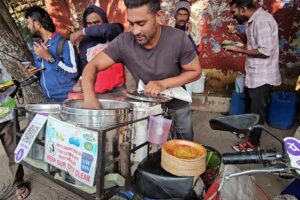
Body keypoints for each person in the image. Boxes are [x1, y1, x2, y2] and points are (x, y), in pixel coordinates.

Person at [82, 0, 201, 140]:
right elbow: (92, 66)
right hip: (147, 108)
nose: (135, 31)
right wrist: (89, 97)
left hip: (178, 106)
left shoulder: (178, 39)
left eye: (141, 23)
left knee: (185, 146)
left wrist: (163, 84)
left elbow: (195, 71)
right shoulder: (124, 42)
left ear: (158, 16)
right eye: (131, 24)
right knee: (152, 149)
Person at [225, 0, 281, 151]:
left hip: (263, 75)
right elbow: (251, 42)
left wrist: (239, 51)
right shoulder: (253, 21)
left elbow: (265, 50)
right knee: (252, 107)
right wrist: (237, 33)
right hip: (255, 74)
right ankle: (248, 132)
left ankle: (252, 144)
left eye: (234, 12)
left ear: (243, 9)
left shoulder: (261, 21)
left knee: (257, 112)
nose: (233, 16)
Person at [24, 6, 78, 102]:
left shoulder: (64, 43)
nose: (28, 26)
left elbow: (73, 72)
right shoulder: (38, 46)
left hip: (67, 99)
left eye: (28, 23)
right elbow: (45, 72)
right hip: (47, 98)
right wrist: (35, 72)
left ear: (37, 24)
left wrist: (49, 58)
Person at [70, 5, 126, 94]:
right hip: (97, 92)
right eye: (89, 23)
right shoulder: (85, 43)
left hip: (119, 90)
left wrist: (83, 31)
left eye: (96, 22)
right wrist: (80, 81)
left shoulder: (114, 31)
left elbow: (105, 29)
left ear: (104, 20)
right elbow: (84, 67)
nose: (92, 27)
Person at [0, 62, 30, 200]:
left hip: (6, 116)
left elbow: (12, 85)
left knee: (14, 152)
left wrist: (6, 87)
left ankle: (19, 183)